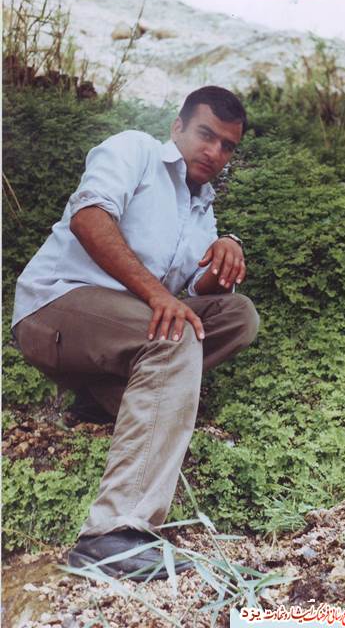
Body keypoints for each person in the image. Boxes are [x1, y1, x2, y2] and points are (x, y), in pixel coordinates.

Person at [12, 85, 259, 581]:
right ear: (177, 127)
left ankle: (102, 396)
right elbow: (88, 218)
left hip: (120, 327)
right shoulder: (135, 150)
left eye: (227, 145)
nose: (215, 152)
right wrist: (157, 295)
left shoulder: (202, 206)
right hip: (56, 306)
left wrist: (225, 252)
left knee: (238, 315)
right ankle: (113, 535)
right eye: (205, 135)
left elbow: (196, 288)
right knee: (173, 335)